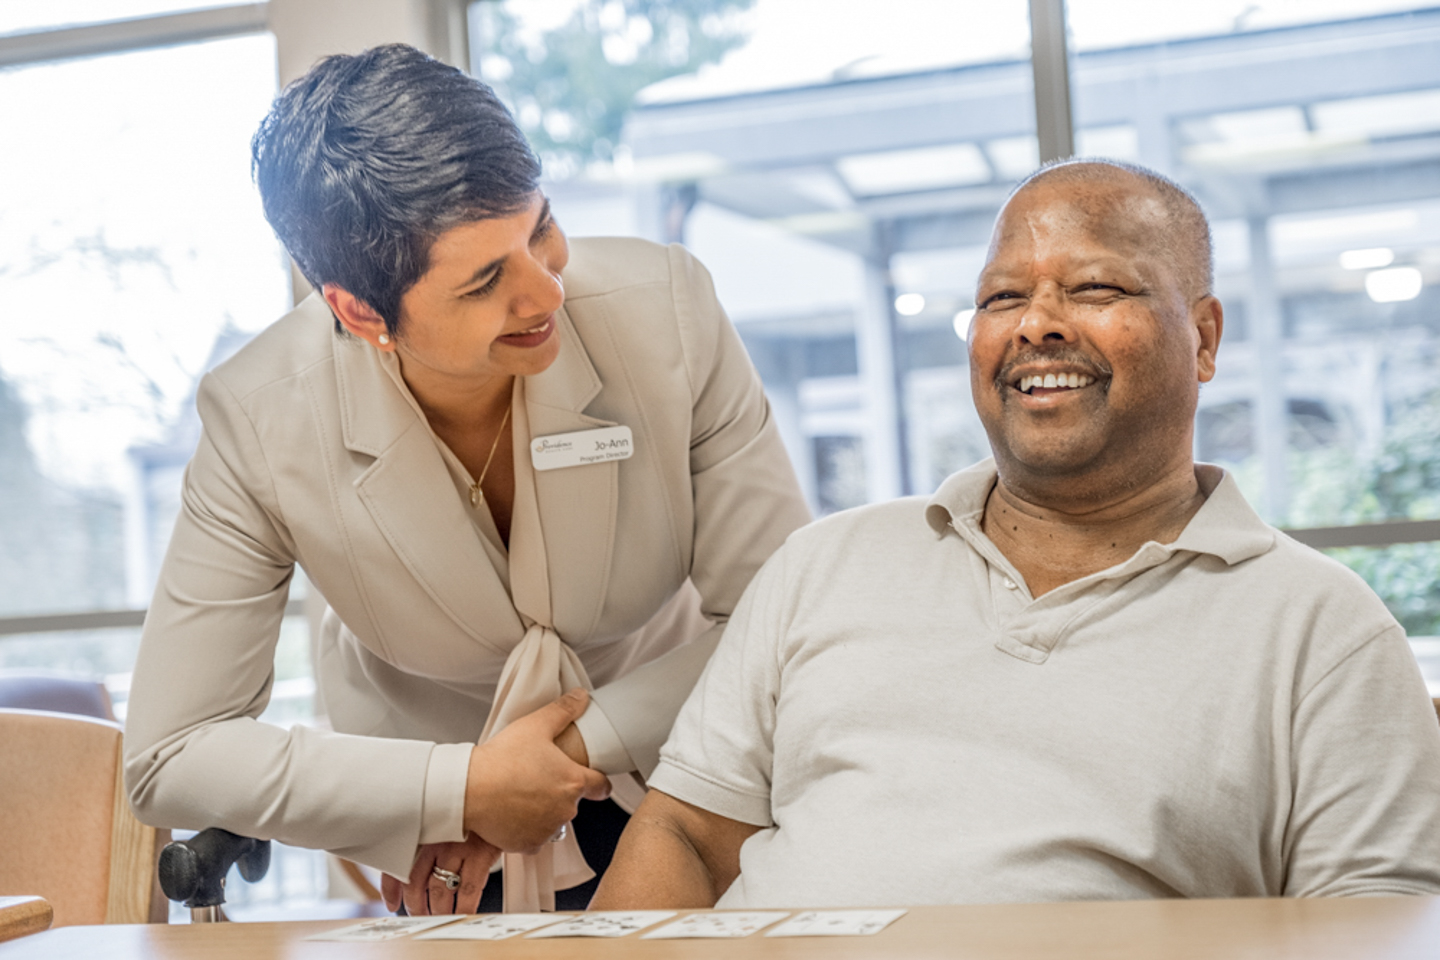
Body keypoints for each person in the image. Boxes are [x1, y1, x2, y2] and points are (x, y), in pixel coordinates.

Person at [591, 159, 1440, 910]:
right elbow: (687, 839)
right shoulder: (824, 565)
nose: (1036, 323)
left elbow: (1376, 920)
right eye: (1002, 298)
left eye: (1096, 289)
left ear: (1204, 337)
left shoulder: (1322, 628)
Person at [123, 43, 809, 915]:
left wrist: (556, 757)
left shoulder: (667, 310)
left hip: (679, 751)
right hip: (442, 834)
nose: (546, 292)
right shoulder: (259, 419)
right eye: (487, 279)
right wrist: (459, 789)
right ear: (360, 311)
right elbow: (169, 752)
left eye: (540, 228)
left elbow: (783, 621)